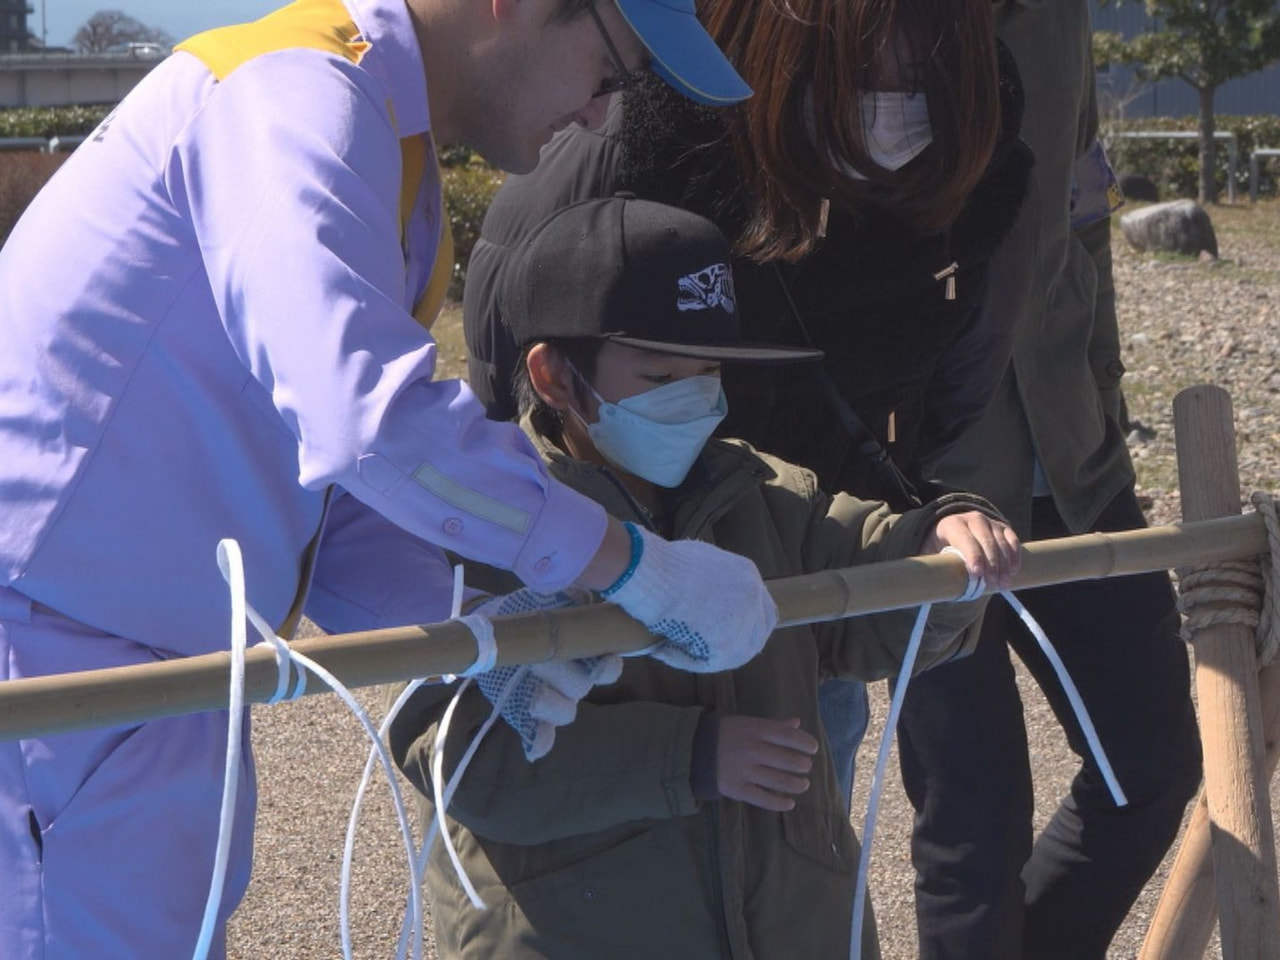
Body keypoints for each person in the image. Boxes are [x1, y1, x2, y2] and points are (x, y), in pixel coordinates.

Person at [0, 1, 779, 957]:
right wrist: (627, 563)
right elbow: (363, 419)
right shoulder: (296, 96)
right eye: (611, 72)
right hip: (54, 671)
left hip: (129, 671)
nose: (599, 117)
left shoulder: (375, 140)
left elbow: (324, 492)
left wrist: (489, 628)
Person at [390, 194, 1021, 960]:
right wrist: (690, 757)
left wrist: (944, 536)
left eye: (711, 371)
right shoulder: (486, 532)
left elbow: (878, 593)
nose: (695, 397)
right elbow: (461, 759)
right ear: (555, 376)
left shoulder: (761, 494)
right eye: (660, 373)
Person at [462, 0, 1032, 814]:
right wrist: (534, 520)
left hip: (780, 562)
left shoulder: (984, 164)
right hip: (592, 565)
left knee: (790, 832)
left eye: (927, 67)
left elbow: (966, 362)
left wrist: (938, 532)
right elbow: (479, 767)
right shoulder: (635, 132)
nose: (897, 95)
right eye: (867, 68)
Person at [898, 2, 1203, 957]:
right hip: (919, 482)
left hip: (1071, 456)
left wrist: (1104, 399)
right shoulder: (857, 23)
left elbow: (1086, 212)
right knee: (969, 828)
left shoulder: (1059, 18)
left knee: (1152, 766)